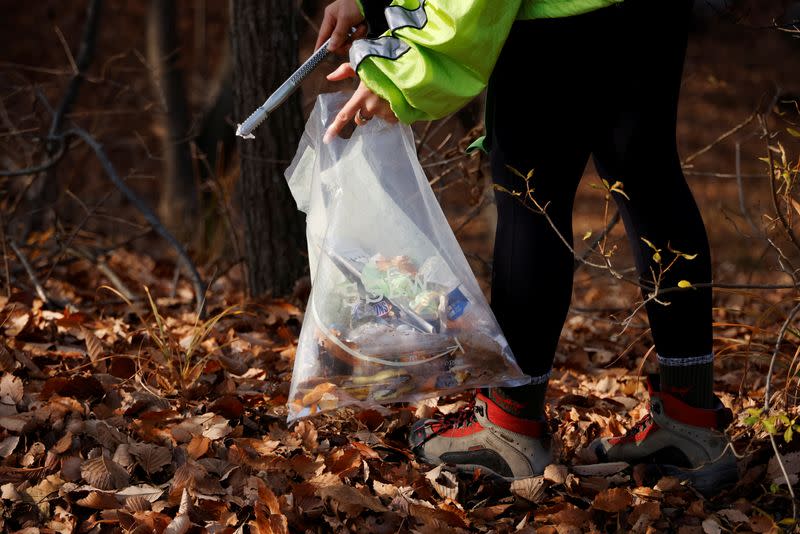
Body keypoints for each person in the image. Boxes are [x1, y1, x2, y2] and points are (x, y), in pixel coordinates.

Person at [315, 0, 738, 493]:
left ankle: (508, 427)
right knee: (650, 183)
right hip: (647, 15)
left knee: (530, 197)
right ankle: (690, 425)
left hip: (554, 20)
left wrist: (401, 76)